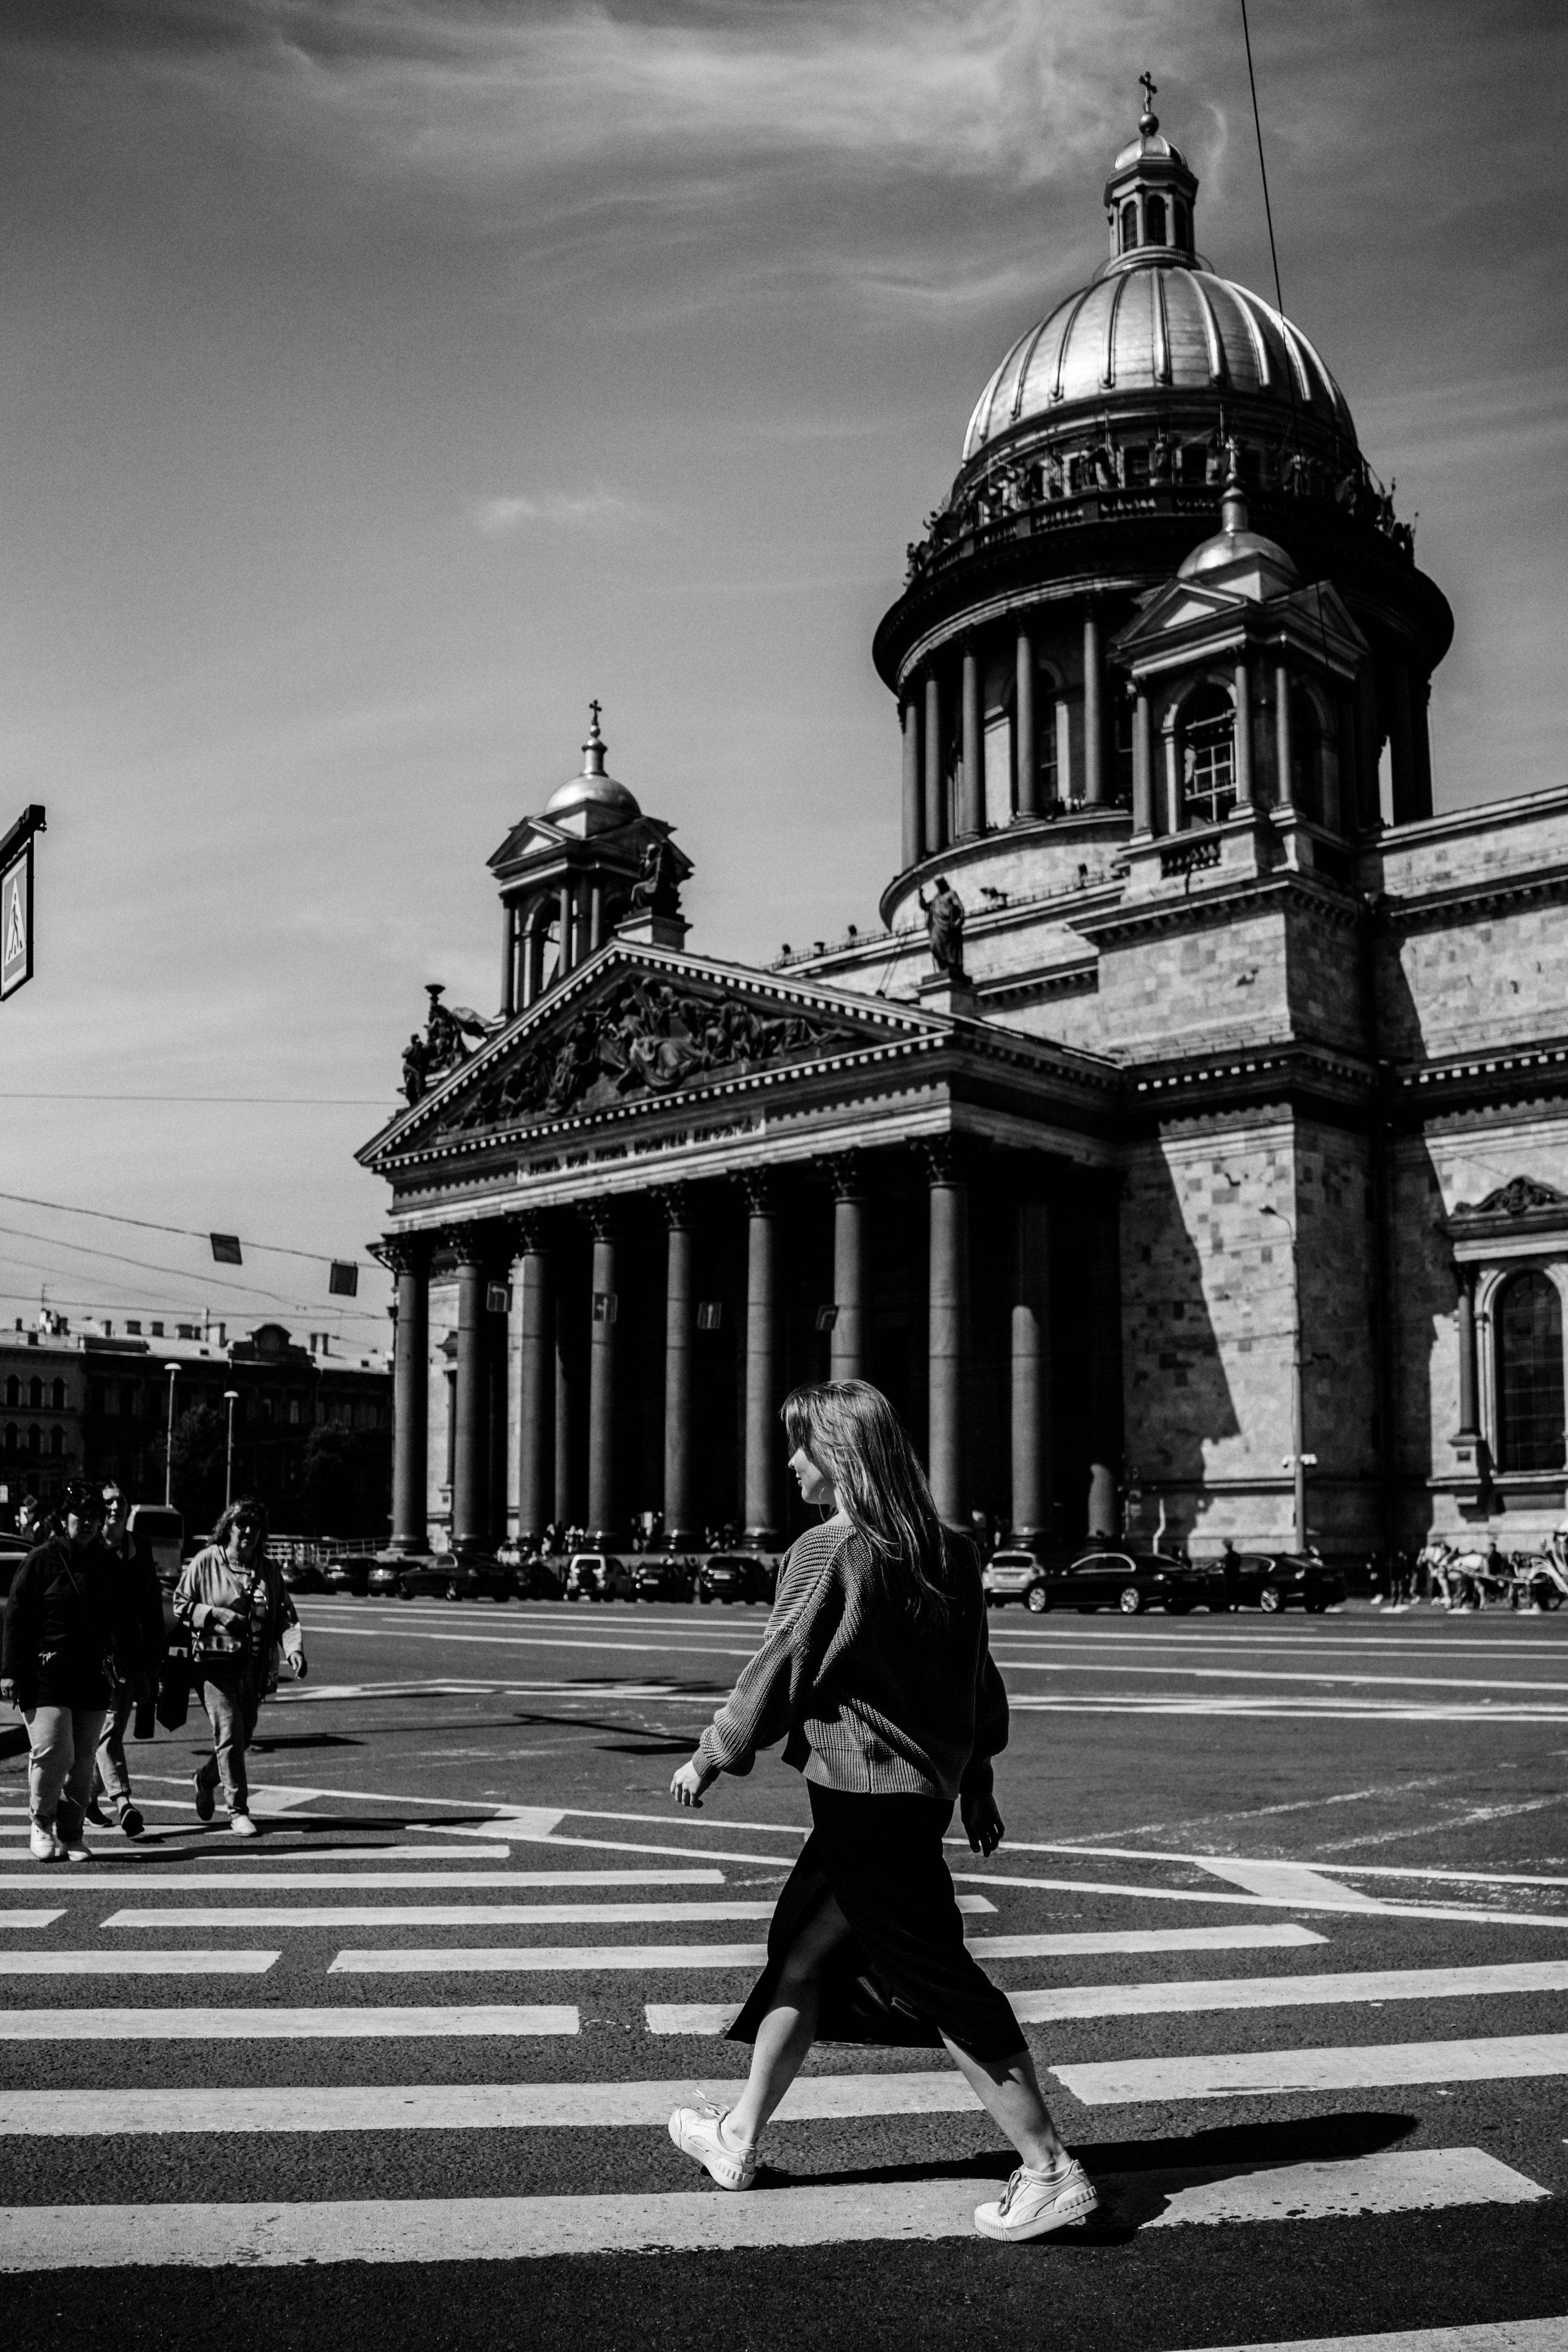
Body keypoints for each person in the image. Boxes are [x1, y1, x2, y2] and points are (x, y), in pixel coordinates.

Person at [666, 1380, 1098, 2245]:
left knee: (937, 1976)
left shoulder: (831, 1550)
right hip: (908, 1800)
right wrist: (977, 1781)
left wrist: (715, 1751)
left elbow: (781, 1663)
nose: (789, 1464)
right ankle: (740, 2135)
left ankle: (1049, 2168)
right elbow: (976, 1677)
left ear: (842, 1456)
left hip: (864, 1801)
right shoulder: (951, 1550)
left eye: (801, 1447)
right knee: (800, 1953)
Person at [175, 1497, 306, 1837]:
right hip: (215, 1664)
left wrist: (294, 1649)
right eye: (241, 1524)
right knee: (230, 1732)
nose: (248, 1531)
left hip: (255, 1669)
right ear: (228, 1527)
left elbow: (285, 1615)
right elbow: (179, 1604)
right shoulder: (207, 1561)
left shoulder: (267, 1569)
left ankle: (204, 1780)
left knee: (240, 1738)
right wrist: (214, 1614)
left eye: (255, 1526)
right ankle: (238, 1810)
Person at [0, 1480, 116, 1863]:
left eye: (93, 1517)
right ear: (63, 1519)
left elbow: (123, 1620)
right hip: (45, 1672)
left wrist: (137, 1666)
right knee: (54, 1750)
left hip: (92, 1674)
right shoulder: (41, 1560)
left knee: (83, 1757)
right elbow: (16, 1618)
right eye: (80, 1516)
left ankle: (72, 1833)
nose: (87, 1523)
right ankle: (41, 1822)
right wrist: (11, 1672)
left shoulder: (106, 1563)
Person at [87, 1483, 167, 1839]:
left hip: (133, 1656)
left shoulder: (140, 1547)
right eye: (108, 1502)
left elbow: (151, 1608)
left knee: (113, 1732)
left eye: (119, 1500)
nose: (114, 1507)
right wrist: (109, 1654)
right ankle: (123, 1802)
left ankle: (84, 1800)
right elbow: (92, 1610)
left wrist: (152, 1664)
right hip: (99, 1656)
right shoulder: (91, 1548)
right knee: (108, 1731)